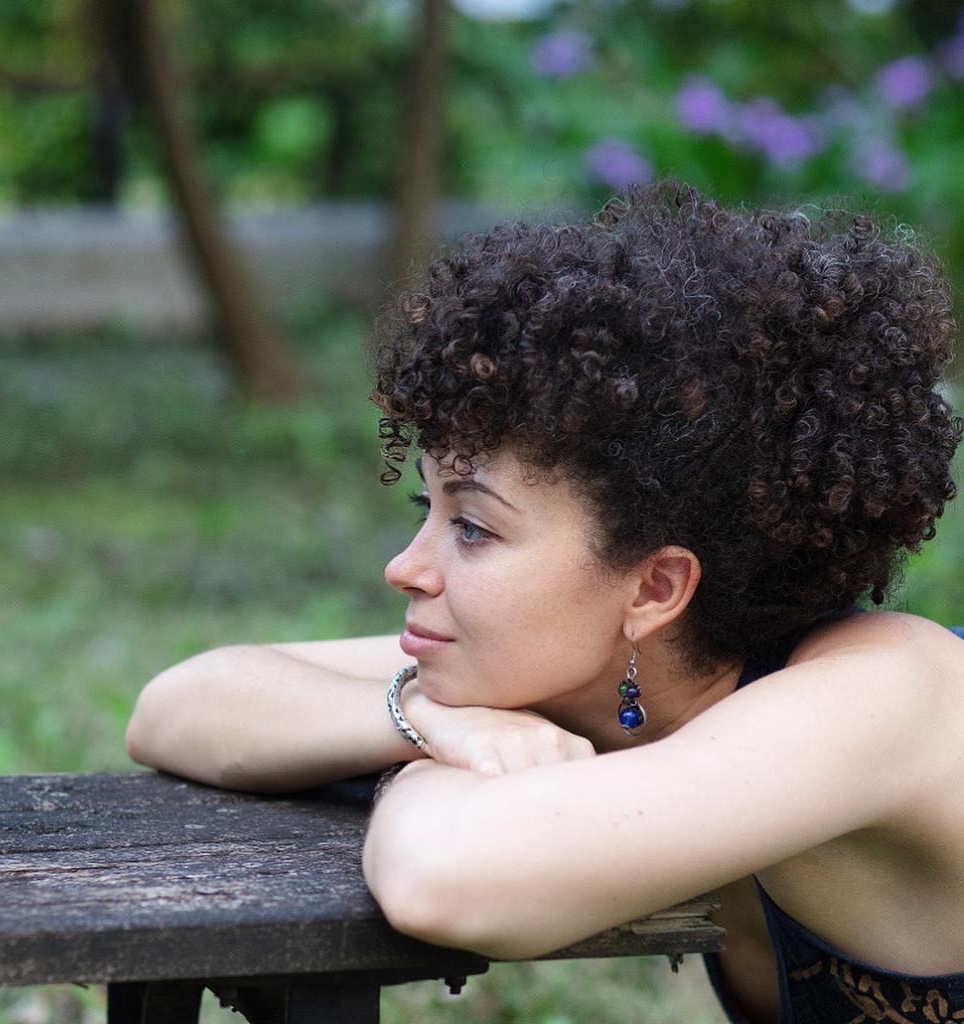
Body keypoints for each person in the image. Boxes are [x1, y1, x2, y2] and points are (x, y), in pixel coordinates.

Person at [126, 181, 964, 1024]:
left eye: (476, 528)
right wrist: (430, 722)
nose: (404, 569)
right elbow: (182, 704)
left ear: (654, 588)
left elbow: (441, 878)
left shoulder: (884, 697)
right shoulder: (606, 673)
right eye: (430, 512)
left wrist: (423, 756)